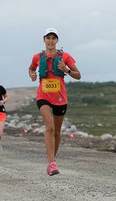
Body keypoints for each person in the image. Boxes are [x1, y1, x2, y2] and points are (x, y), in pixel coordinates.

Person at [28, 28, 81, 176]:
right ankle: (51, 163)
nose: (50, 41)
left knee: (57, 132)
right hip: (43, 95)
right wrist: (32, 75)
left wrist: (66, 70)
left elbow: (78, 75)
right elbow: (31, 69)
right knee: (49, 127)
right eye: (48, 38)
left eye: (53, 38)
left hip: (60, 97)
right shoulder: (37, 57)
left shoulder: (66, 56)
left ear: (57, 40)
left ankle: (52, 160)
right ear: (44, 40)